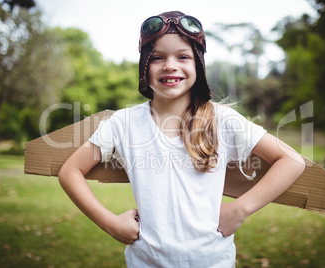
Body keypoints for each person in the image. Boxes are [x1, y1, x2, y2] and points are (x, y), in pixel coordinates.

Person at [58, 11, 305, 268]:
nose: (170, 65)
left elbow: (291, 160)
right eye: (157, 57)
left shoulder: (224, 121)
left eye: (183, 56)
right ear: (144, 66)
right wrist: (110, 223)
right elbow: (70, 171)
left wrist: (240, 209)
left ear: (198, 63)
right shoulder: (124, 124)